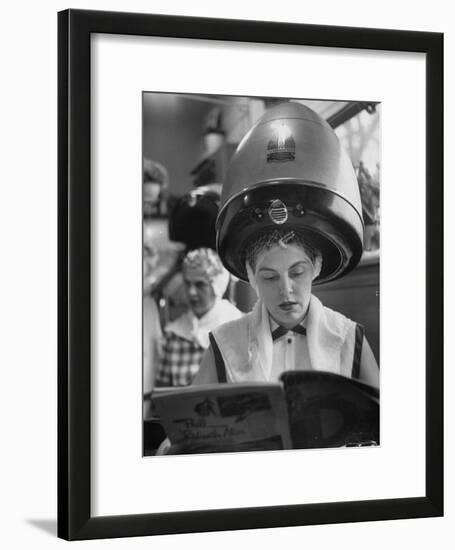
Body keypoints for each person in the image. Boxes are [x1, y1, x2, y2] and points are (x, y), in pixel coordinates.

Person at [193, 228, 378, 387]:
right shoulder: (225, 342)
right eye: (270, 277)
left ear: (316, 266)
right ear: (252, 277)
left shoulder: (349, 338)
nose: (286, 290)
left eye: (297, 273)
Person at [155, 247, 243, 387]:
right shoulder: (174, 335)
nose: (191, 292)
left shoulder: (238, 328)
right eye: (187, 283)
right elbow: (163, 395)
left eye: (200, 284)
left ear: (216, 286)